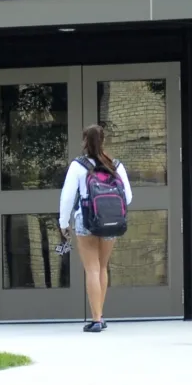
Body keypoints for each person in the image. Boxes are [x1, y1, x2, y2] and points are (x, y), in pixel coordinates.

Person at [58, 124, 132, 333]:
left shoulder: (78, 166)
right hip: (111, 221)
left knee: (91, 268)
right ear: (104, 141)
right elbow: (128, 197)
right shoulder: (115, 165)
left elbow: (67, 198)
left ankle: (96, 319)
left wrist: (63, 224)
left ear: (84, 141)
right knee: (102, 267)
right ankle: (100, 316)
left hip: (86, 221)